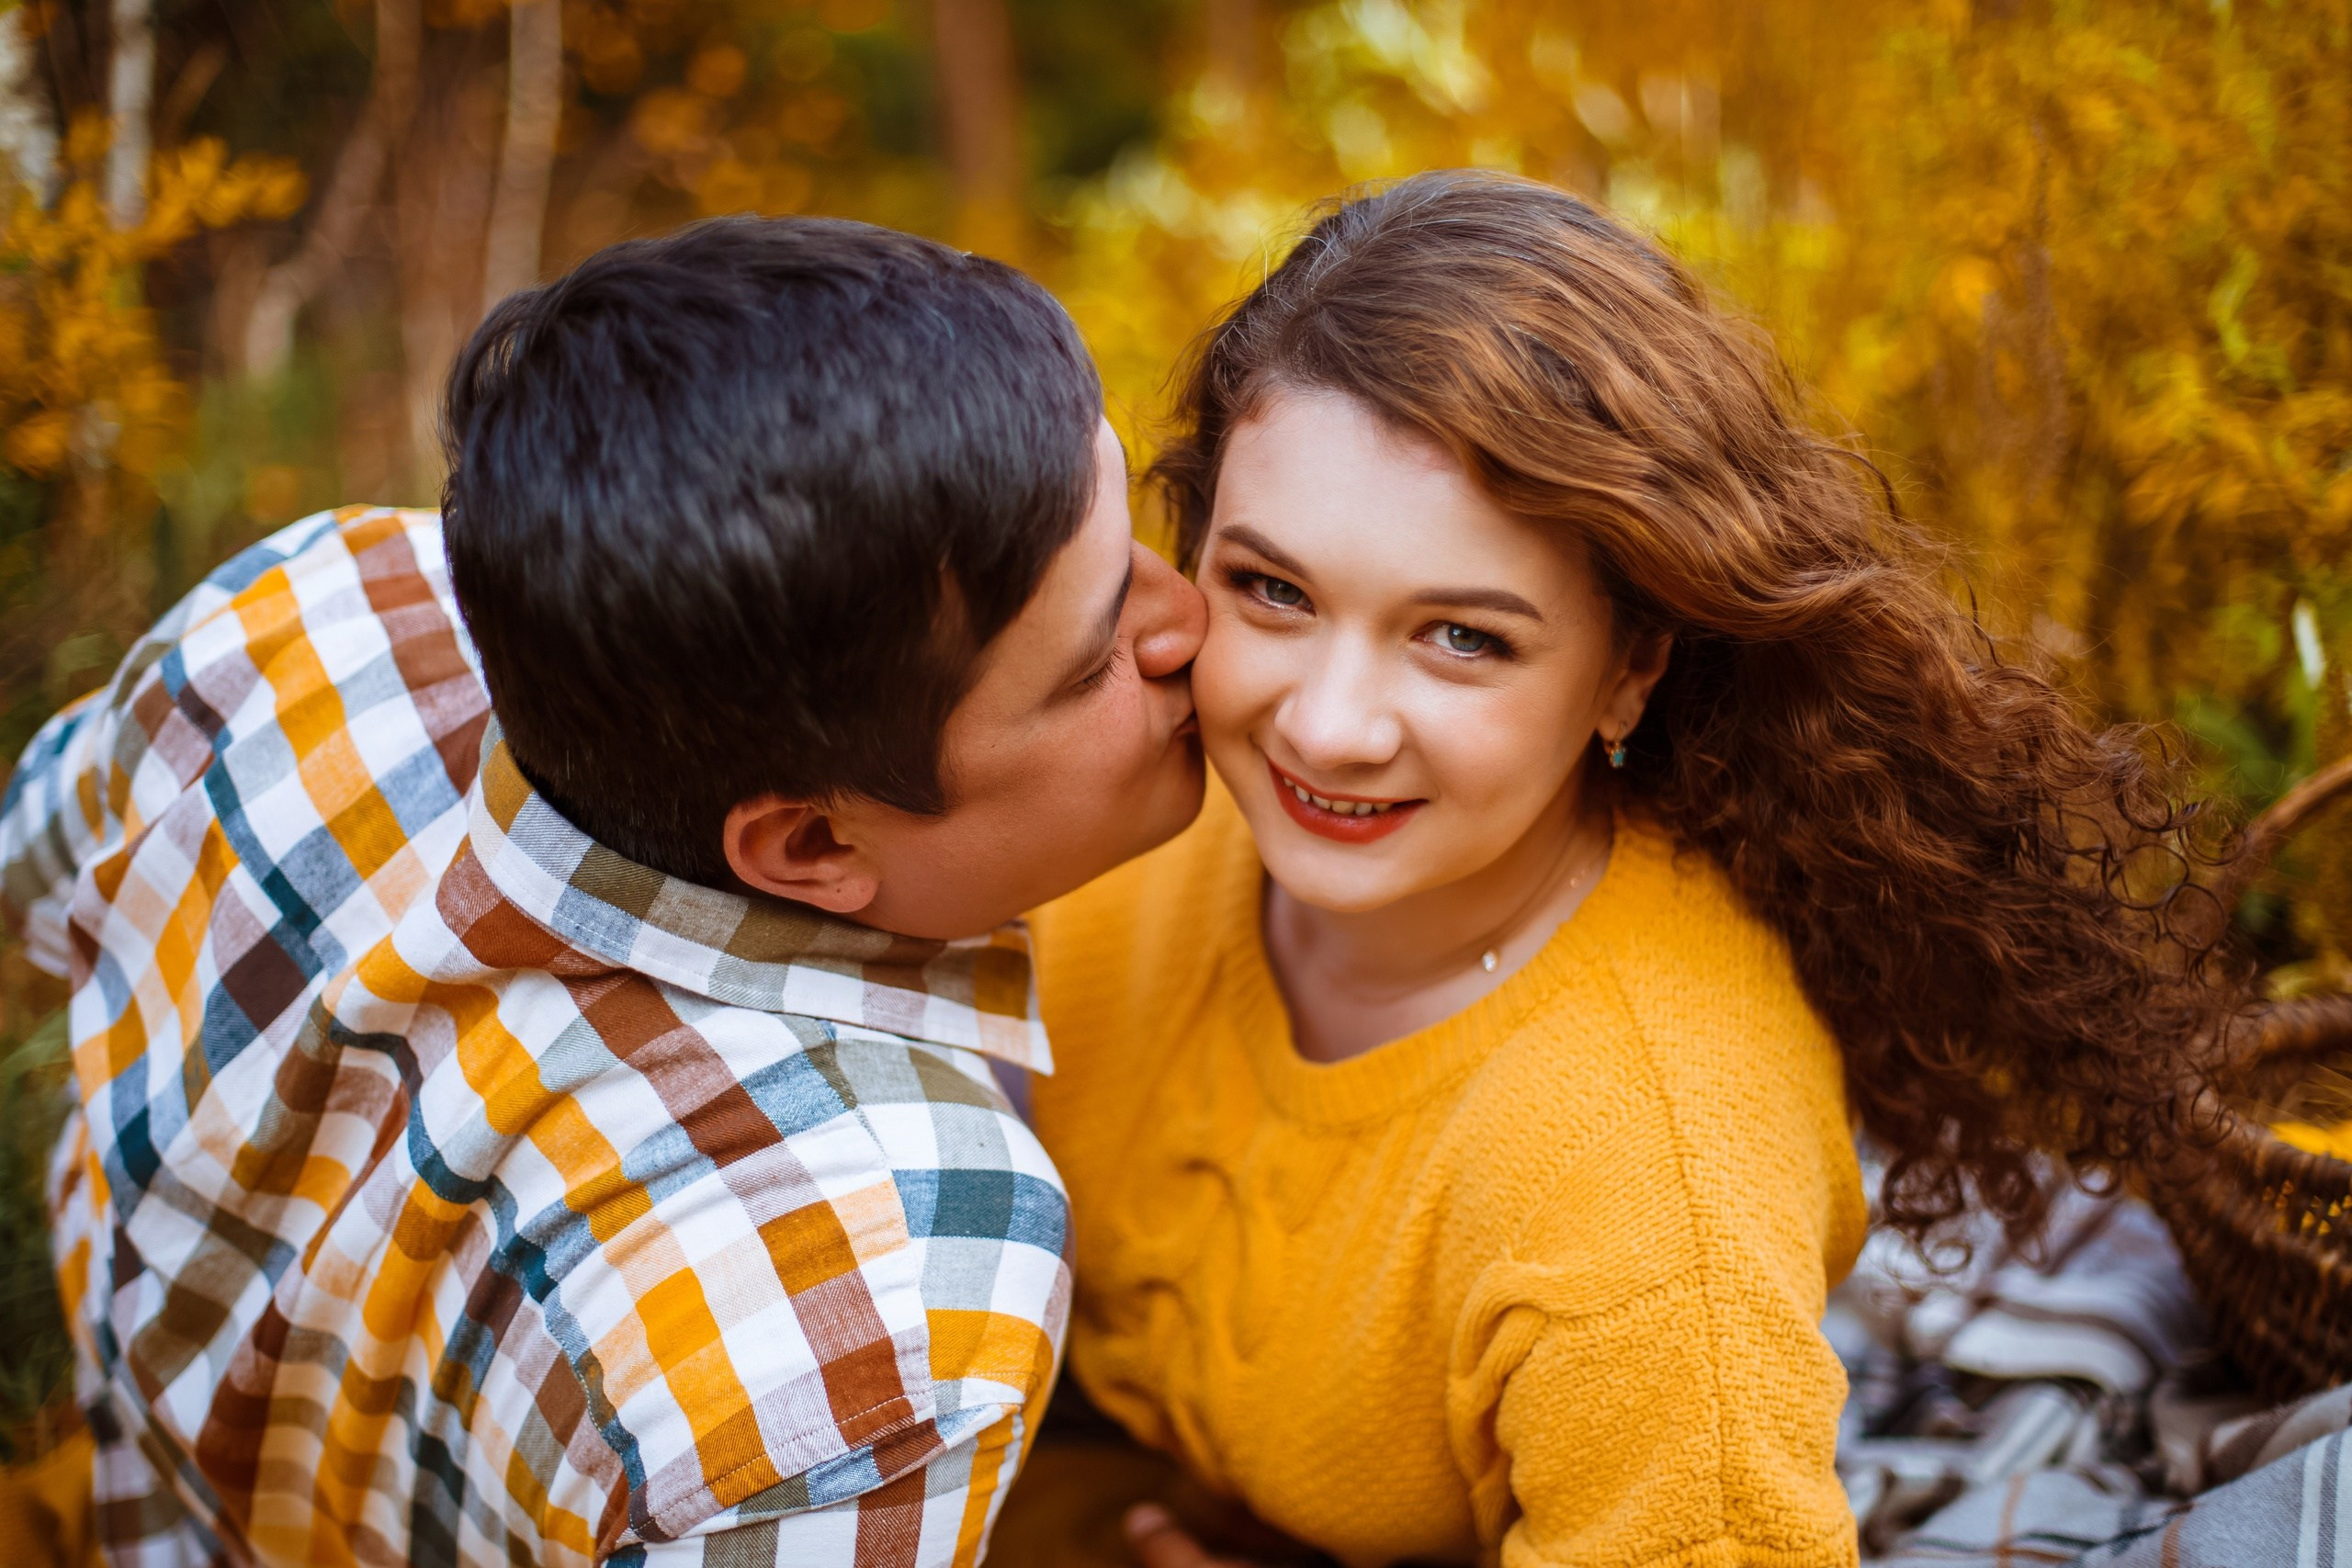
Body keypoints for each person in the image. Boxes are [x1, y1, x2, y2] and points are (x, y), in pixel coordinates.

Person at [1014, 172, 2222, 1568]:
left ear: (1630, 667)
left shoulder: (1645, 1181)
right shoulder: (1132, 826)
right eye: (1273, 590)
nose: (1327, 728)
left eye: (1463, 637)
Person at [0, 216, 1206, 1567]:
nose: (1192, 623)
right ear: (809, 848)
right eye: (1098, 656)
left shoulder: (307, 614)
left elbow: (32, 885)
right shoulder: (896, 1300)